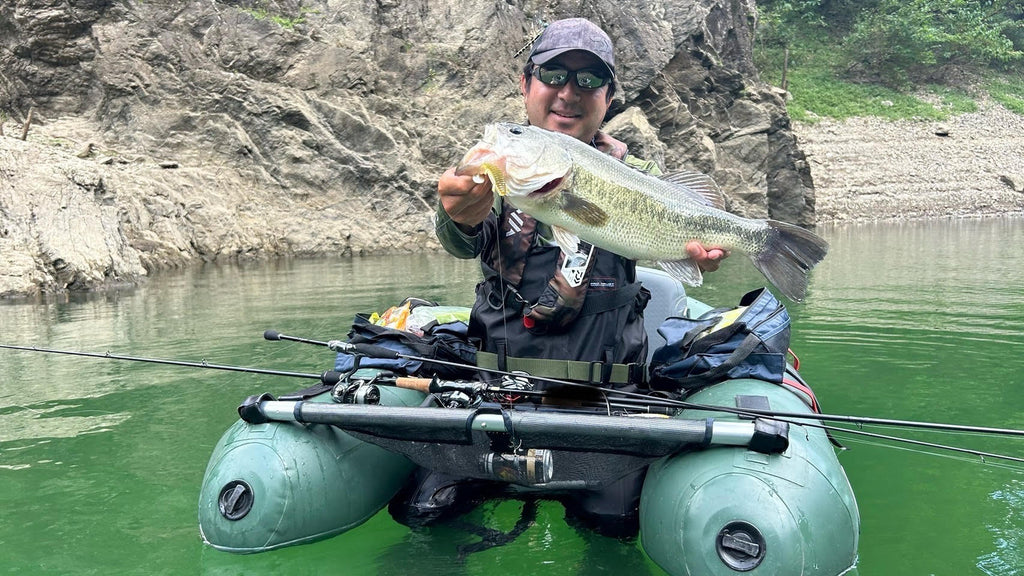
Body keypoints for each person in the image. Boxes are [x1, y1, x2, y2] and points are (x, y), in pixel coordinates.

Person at [397, 17, 727, 537]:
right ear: (525, 85)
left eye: (590, 80)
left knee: (614, 523)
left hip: (605, 401)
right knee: (425, 513)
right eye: (553, 74)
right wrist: (455, 216)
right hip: (493, 391)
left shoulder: (637, 172)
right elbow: (463, 241)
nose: (569, 92)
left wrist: (692, 256)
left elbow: (674, 233)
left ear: (609, 96)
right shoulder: (498, 166)